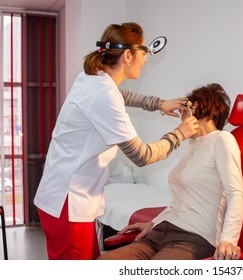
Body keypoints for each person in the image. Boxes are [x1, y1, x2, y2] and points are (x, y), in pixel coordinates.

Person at [33, 22, 199, 260]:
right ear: (128, 55)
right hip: (69, 204)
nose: (146, 59)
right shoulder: (103, 94)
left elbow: (122, 95)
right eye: (145, 53)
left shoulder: (93, 79)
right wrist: (180, 133)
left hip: (68, 198)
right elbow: (142, 155)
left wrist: (159, 104)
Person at [98, 83, 243, 260]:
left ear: (196, 107)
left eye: (184, 110)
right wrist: (153, 223)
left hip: (194, 237)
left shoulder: (222, 139)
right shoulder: (192, 144)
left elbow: (235, 193)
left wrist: (228, 239)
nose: (180, 118)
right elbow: (179, 201)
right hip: (161, 231)